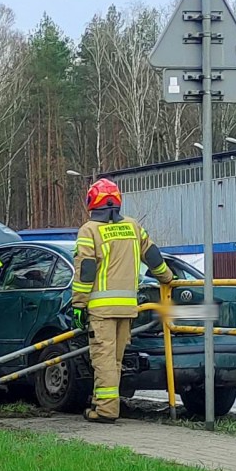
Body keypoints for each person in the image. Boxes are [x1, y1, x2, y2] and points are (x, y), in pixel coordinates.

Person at [71, 177, 174, 423]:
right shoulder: (132, 226)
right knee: (115, 359)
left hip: (101, 309)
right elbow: (152, 255)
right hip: (128, 307)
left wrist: (78, 303)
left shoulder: (90, 230)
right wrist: (168, 278)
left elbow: (86, 269)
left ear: (91, 202)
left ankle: (106, 410)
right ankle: (105, 403)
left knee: (103, 359)